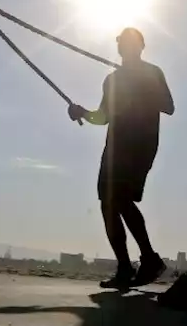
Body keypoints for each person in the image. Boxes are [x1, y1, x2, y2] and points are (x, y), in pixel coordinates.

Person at [68, 27, 174, 289]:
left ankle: (146, 261)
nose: (124, 47)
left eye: (129, 42)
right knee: (108, 202)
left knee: (122, 199)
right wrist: (81, 112)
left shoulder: (152, 72)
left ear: (140, 46)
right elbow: (103, 117)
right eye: (121, 43)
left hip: (140, 145)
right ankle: (128, 266)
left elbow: (169, 106)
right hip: (115, 147)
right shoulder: (112, 80)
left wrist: (142, 86)